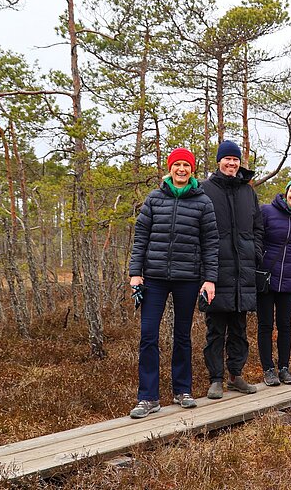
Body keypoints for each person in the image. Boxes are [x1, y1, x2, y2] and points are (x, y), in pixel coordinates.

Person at [128, 148, 219, 418]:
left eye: (186, 165)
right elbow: (140, 238)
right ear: (170, 168)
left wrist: (209, 279)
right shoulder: (154, 199)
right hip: (154, 278)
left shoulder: (203, 202)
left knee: (182, 335)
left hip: (188, 279)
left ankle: (183, 391)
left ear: (192, 170)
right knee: (148, 336)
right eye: (177, 165)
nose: (181, 169)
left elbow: (211, 244)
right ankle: (148, 398)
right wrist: (136, 273)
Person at [200, 140, 263, 399]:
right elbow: (198, 229)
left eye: (235, 159)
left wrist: (255, 252)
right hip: (216, 271)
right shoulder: (204, 190)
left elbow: (258, 227)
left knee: (239, 327)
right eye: (227, 159)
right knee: (216, 329)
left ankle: (236, 375)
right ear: (219, 161)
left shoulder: (248, 192)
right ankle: (216, 379)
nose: (231, 163)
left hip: (244, 271)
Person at [257, 177, 291, 386]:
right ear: (286, 191)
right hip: (266, 277)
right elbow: (257, 241)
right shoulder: (267, 211)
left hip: (290, 279)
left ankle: (284, 368)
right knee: (265, 325)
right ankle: (268, 369)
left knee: (285, 325)